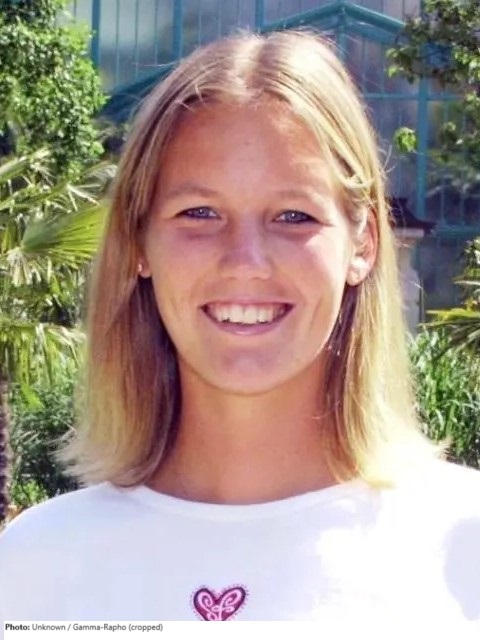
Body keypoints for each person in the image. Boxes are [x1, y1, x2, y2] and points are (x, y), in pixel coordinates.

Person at [0, 30, 479, 632]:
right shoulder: (36, 563)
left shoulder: (463, 544)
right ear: (138, 242)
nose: (245, 261)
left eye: (294, 215)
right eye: (199, 213)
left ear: (363, 245)